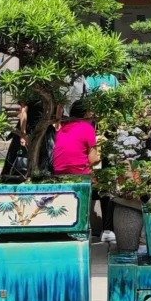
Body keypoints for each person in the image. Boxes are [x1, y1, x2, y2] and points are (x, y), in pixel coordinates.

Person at [52, 98, 115, 245]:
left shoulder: (63, 127)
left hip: (59, 175)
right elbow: (92, 160)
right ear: (87, 113)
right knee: (107, 190)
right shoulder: (87, 128)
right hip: (80, 177)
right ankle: (106, 231)